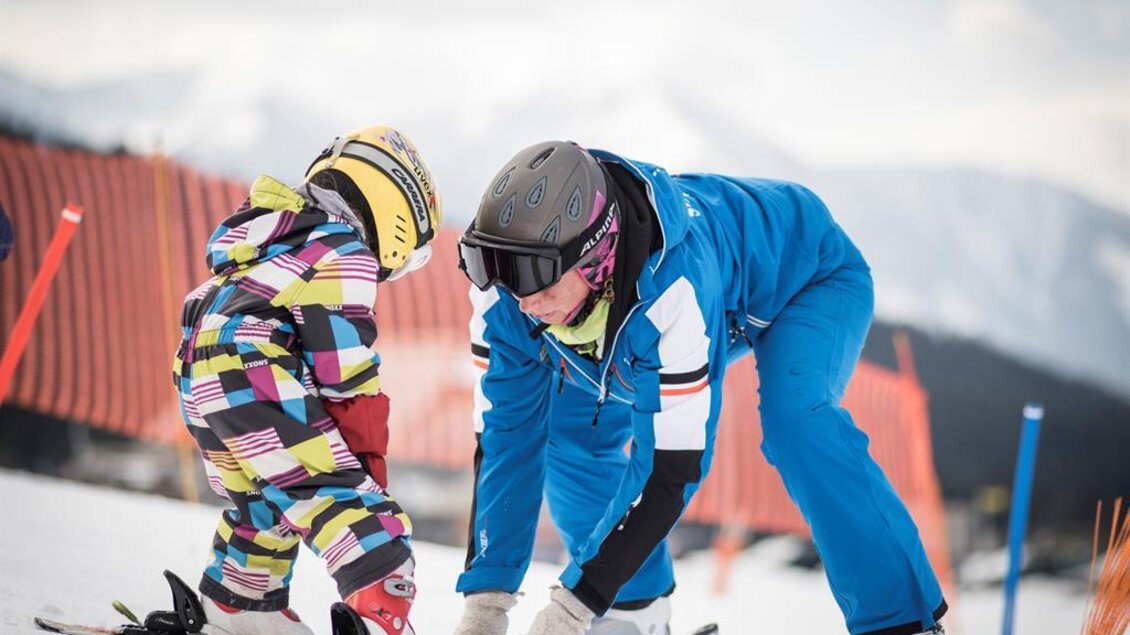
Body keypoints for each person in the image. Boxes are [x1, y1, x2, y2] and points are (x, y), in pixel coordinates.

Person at [453, 141, 947, 635]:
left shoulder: (674, 287)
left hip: (808, 278)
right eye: (502, 269)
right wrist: (485, 608)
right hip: (657, 314)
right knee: (566, 429)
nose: (523, 299)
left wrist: (573, 606)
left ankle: (902, 621)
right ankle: (634, 608)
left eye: (536, 275)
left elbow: (670, 468)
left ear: (593, 255)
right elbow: (506, 443)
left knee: (796, 423)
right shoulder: (506, 295)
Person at [171, 125, 440, 635]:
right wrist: (364, 461)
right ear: (398, 216)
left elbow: (204, 311)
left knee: (268, 499)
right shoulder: (344, 249)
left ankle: (243, 608)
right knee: (350, 504)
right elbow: (343, 366)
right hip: (251, 368)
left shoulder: (268, 238)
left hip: (198, 376)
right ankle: (382, 609)